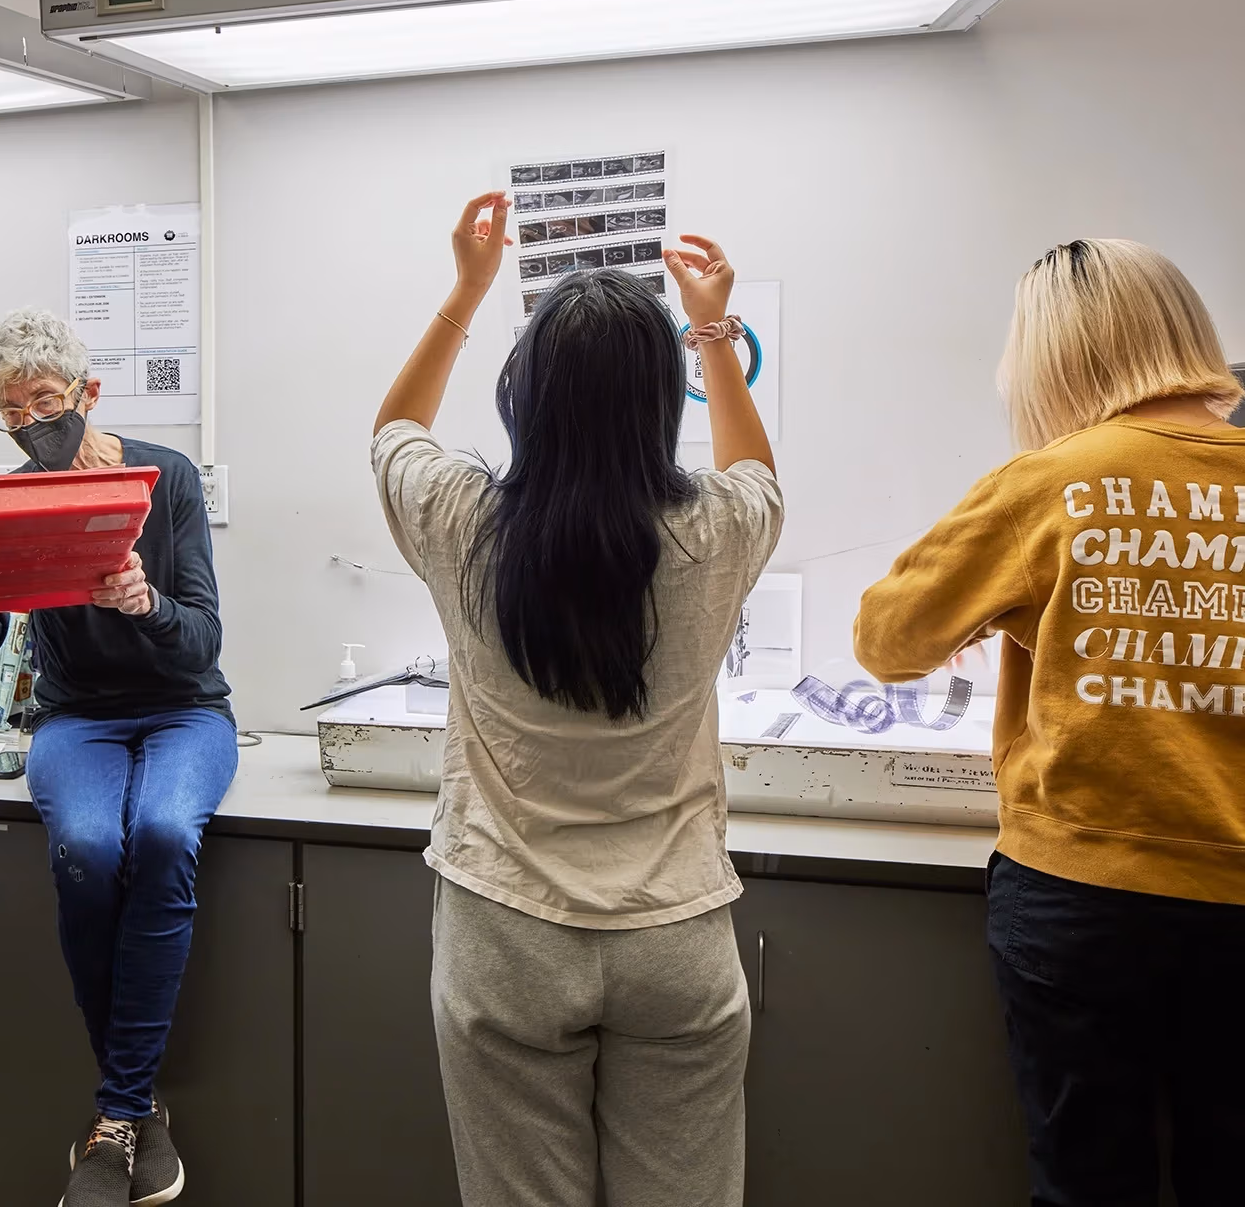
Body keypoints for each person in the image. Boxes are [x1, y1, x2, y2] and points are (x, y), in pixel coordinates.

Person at [372, 199, 782, 1207]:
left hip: (505, 930)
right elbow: (750, 469)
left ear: (526, 395)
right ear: (660, 400)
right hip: (674, 932)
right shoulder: (717, 532)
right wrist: (714, 334)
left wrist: (468, 289)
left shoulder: (459, 520)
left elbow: (394, 428)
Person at [854, 239, 1245, 1207]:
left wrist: (1007, 607)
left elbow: (886, 640)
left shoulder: (1050, 481)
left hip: (1081, 894)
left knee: (1084, 1183)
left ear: (1053, 354)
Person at [0, 308, 230, 1207]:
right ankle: (134, 1109)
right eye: (10, 411)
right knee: (89, 850)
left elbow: (200, 644)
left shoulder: (164, 480)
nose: (29, 422)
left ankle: (113, 1119)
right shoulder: (13, 496)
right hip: (78, 721)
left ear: (87, 393)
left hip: (184, 711)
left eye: (44, 401)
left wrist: (143, 601)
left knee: (161, 829)